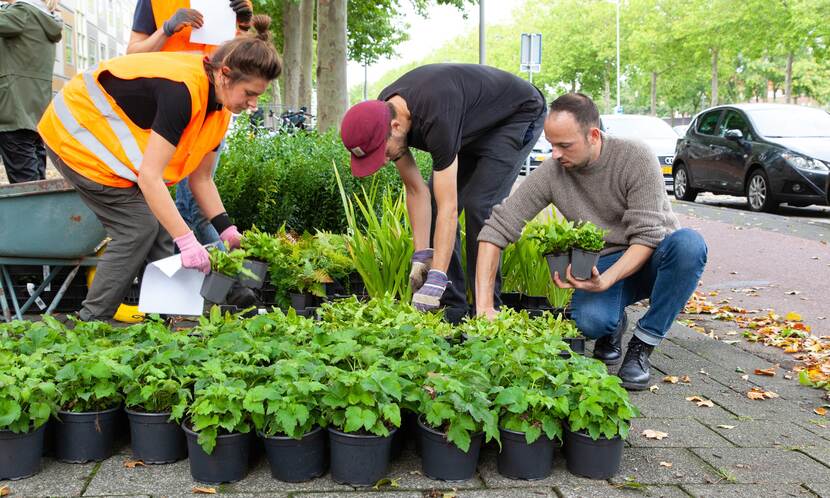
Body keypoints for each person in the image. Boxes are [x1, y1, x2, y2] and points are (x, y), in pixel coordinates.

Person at [37, 15, 281, 322]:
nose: (253, 104)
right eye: (250, 94)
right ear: (224, 74)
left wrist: (227, 229)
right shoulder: (181, 91)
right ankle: (91, 322)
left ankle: (174, 318)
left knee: (167, 230)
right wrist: (188, 240)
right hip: (76, 136)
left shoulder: (221, 107)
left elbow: (202, 178)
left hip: (111, 148)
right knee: (138, 229)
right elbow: (150, 177)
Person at [475, 93, 708, 390]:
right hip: (603, 261)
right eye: (551, 145)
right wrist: (484, 305)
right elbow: (498, 227)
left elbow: (647, 236)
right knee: (590, 322)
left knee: (690, 245)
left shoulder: (635, 158)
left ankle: (643, 344)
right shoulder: (553, 172)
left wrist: (607, 280)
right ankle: (612, 324)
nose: (555, 154)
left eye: (565, 145)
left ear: (593, 135)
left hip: (654, 256)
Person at [339, 64, 546, 323]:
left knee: (479, 205)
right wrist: (422, 255)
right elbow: (416, 190)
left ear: (395, 126)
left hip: (516, 114)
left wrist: (437, 275)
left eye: (380, 153)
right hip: (471, 124)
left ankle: (486, 312)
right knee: (437, 202)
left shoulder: (436, 115)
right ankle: (452, 308)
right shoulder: (382, 114)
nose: (381, 162)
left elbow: (450, 207)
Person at [128, 0, 253, 246]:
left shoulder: (235, 2)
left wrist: (245, 27)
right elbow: (132, 55)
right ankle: (209, 273)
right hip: (169, 110)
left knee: (196, 206)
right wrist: (167, 28)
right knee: (177, 209)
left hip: (214, 112)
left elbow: (247, 63)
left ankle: (211, 274)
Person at [0, 0, 62, 183]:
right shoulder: (43, 17)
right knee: (35, 181)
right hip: (34, 112)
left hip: (14, 111)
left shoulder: (21, 12)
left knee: (25, 185)